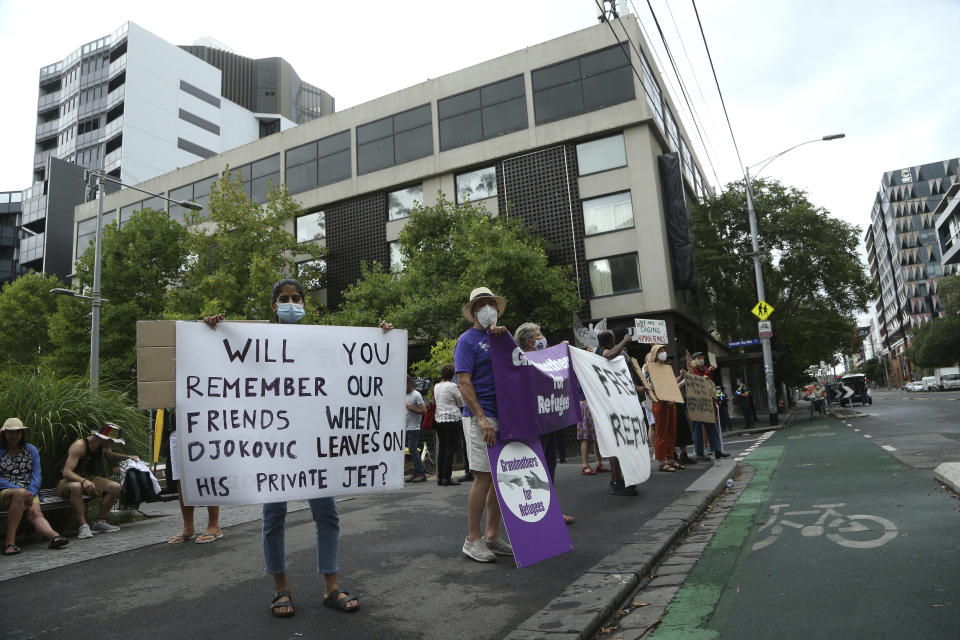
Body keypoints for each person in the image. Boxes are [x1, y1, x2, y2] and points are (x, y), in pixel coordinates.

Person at [203, 278, 386, 617]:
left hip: (316, 445)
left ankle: (331, 587)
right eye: (284, 299)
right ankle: (280, 589)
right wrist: (212, 333)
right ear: (274, 306)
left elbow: (348, 370)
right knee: (274, 516)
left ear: (305, 303)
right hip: (275, 446)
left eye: (297, 298)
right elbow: (229, 366)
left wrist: (381, 338)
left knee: (327, 515)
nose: (291, 303)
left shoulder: (321, 341)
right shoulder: (257, 342)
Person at [454, 287, 514, 563]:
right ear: (474, 311)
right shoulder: (467, 341)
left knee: (498, 478)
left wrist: (503, 337)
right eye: (482, 305)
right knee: (483, 476)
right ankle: (472, 539)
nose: (488, 308)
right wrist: (480, 416)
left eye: (491, 304)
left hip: (503, 415)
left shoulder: (500, 337)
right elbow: (463, 382)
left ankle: (491, 535)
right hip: (481, 416)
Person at [514, 322, 574, 524]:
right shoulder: (520, 362)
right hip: (532, 425)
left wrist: (560, 352)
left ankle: (551, 510)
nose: (542, 338)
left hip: (547, 423)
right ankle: (538, 514)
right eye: (539, 335)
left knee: (549, 466)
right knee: (535, 469)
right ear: (530, 341)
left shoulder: (544, 359)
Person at [1, 418, 69, 554]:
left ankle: (54, 537)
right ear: (4, 434)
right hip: (4, 492)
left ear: (22, 434)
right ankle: (9, 543)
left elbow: (37, 475)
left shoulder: (31, 450)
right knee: (19, 494)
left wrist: (30, 493)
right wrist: (19, 490)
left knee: (35, 513)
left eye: (17, 432)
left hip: (28, 492)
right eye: (10, 433)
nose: (14, 436)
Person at [58, 422, 137, 538]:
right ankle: (83, 526)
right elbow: (66, 472)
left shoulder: (103, 446)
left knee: (115, 487)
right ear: (102, 437)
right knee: (76, 486)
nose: (112, 443)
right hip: (67, 481)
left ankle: (99, 522)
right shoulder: (80, 446)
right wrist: (83, 481)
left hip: (88, 479)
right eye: (111, 440)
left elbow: (110, 455)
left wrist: (128, 457)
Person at [164, 412, 221, 545]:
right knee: (181, 479)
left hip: (205, 423)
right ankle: (188, 527)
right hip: (178, 425)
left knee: (208, 474)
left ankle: (214, 525)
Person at [597, 330, 640, 495]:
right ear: (609, 341)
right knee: (616, 445)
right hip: (609, 407)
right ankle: (617, 481)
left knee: (622, 444)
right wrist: (625, 341)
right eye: (614, 340)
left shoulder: (614, 357)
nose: (616, 343)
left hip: (618, 405)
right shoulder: (601, 353)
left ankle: (622, 478)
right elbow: (610, 354)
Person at [642, 344, 685, 472]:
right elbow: (648, 384)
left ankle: (671, 459)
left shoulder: (666, 368)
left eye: (665, 350)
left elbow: (671, 384)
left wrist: (681, 377)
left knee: (671, 432)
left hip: (670, 402)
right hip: (659, 402)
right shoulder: (649, 367)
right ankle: (661, 462)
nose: (664, 352)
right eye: (661, 350)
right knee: (661, 433)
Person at [688, 352, 729, 460]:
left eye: (702, 358)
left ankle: (717, 450)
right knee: (697, 427)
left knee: (712, 426)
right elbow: (697, 382)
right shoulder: (693, 370)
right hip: (697, 402)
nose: (701, 359)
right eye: (698, 358)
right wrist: (708, 372)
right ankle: (699, 452)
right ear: (694, 360)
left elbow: (709, 383)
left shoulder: (705, 369)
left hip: (708, 401)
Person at [433, 363, 464, 486]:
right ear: (452, 374)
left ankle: (440, 477)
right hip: (452, 419)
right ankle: (447, 477)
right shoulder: (452, 386)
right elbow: (461, 402)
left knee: (442, 448)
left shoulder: (436, 386)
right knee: (451, 447)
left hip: (439, 419)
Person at [404, 376, 427, 483]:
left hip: (414, 428)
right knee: (411, 451)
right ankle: (416, 472)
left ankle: (422, 473)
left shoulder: (416, 395)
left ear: (409, 383)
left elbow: (424, 410)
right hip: (406, 428)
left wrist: (411, 409)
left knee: (413, 449)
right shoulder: (404, 395)